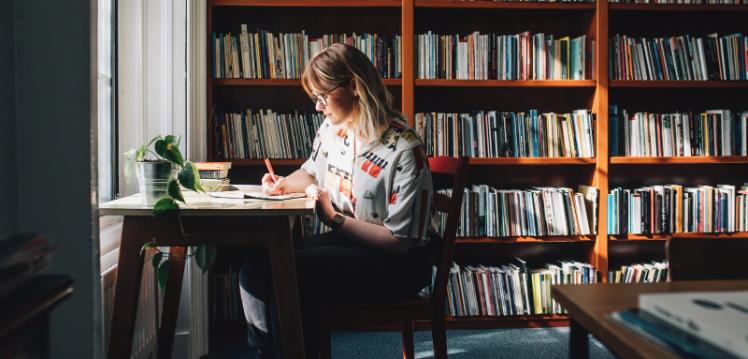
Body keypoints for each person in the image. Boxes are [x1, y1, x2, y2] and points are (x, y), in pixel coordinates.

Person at [239, 43, 436, 358]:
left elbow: (399, 242)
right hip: (351, 244)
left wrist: (334, 219)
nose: (318, 107)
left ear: (354, 87)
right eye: (315, 98)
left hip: (399, 263)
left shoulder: (403, 148)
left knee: (292, 272)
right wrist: (284, 184)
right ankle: (273, 352)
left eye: (322, 97)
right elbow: (312, 172)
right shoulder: (333, 129)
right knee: (255, 267)